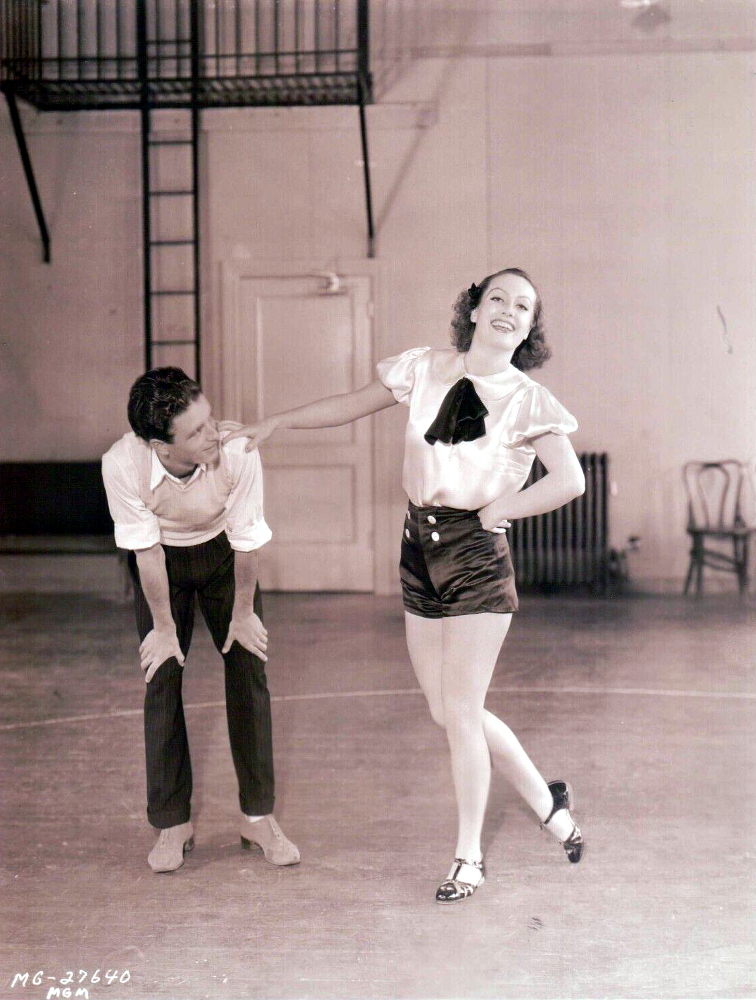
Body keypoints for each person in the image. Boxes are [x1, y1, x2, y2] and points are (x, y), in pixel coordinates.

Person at [225, 268, 585, 903]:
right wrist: (275, 422)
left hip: (477, 555)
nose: (507, 310)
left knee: (464, 711)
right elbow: (349, 403)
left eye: (522, 307)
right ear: (473, 309)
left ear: (529, 328)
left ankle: (469, 857)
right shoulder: (423, 368)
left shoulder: (529, 400)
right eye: (496, 298)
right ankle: (546, 798)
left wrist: (503, 508)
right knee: (448, 710)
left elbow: (569, 481)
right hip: (418, 548)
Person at [101, 367, 299, 873]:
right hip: (162, 562)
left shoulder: (237, 450)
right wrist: (163, 629)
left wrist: (242, 615)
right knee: (161, 675)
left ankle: (257, 817)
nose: (215, 433)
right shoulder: (122, 464)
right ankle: (172, 823)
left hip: (225, 558)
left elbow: (247, 540)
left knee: (249, 668)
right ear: (159, 447)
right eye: (196, 432)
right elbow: (145, 553)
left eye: (208, 418)